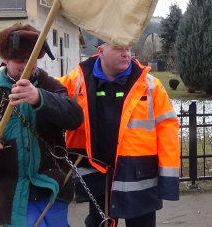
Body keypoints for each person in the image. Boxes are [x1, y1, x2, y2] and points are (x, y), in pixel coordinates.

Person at [0, 23, 84, 227]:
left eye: (32, 60)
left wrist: (40, 98)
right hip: (7, 199)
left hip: (52, 191)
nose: (26, 66)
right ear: (4, 59)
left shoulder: (50, 86)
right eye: (19, 61)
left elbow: (74, 117)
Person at [57, 39, 180, 227]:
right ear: (101, 51)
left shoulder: (150, 85)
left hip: (140, 179)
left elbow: (168, 130)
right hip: (98, 177)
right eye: (119, 48)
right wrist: (7, 74)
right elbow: (46, 89)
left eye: (128, 49)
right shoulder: (78, 81)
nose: (126, 54)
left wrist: (168, 180)